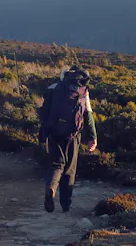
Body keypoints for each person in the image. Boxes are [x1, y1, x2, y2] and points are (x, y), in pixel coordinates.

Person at [38, 65, 97, 213]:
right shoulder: (82, 91)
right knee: (69, 169)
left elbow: (44, 112)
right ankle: (65, 204)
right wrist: (92, 137)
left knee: (56, 164)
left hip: (53, 132)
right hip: (73, 134)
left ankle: (51, 187)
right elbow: (87, 115)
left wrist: (43, 133)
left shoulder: (53, 87)